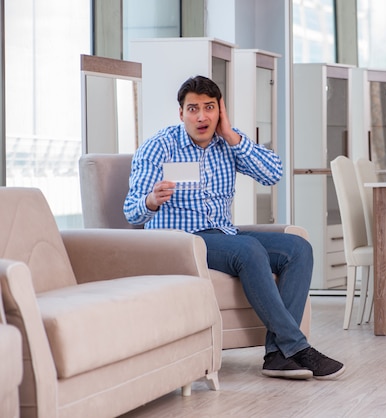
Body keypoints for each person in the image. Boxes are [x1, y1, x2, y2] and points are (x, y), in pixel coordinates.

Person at [124, 75, 345, 380]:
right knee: (248, 249)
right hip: (181, 241)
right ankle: (296, 347)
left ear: (220, 110)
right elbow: (131, 213)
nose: (201, 116)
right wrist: (151, 200)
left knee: (298, 247)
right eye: (193, 109)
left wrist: (231, 135)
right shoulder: (159, 147)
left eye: (209, 108)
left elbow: (273, 174)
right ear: (181, 113)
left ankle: (277, 355)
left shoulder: (227, 142)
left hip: (223, 234)